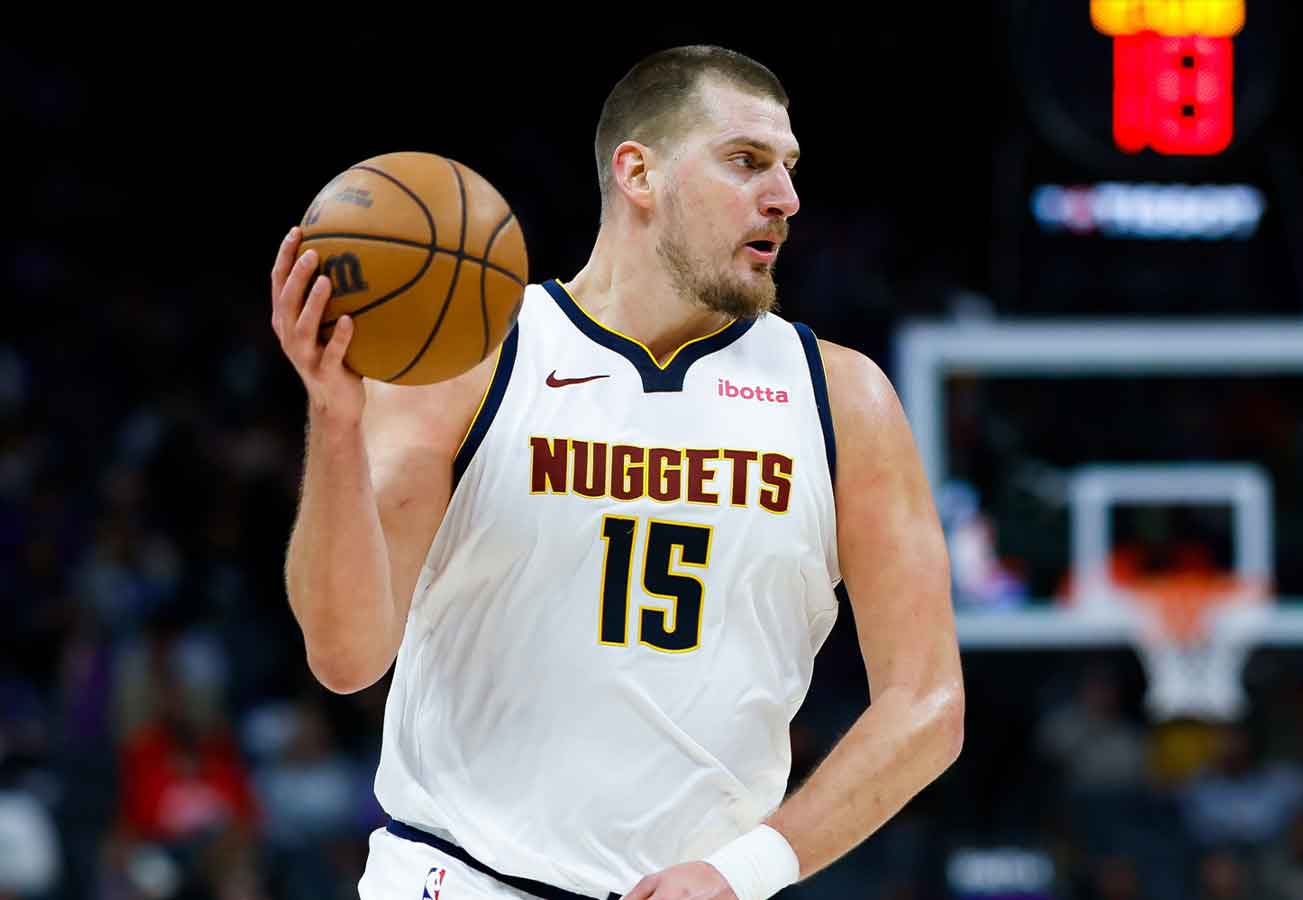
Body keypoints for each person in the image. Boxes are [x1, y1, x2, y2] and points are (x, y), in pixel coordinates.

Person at [266, 44, 965, 900]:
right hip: (461, 877)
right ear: (638, 172)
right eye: (746, 162)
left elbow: (927, 701)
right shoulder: (477, 360)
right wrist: (336, 426)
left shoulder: (843, 400)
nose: (784, 198)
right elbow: (345, 657)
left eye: (788, 168)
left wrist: (742, 872)